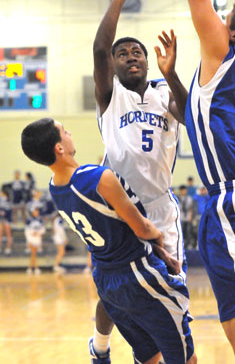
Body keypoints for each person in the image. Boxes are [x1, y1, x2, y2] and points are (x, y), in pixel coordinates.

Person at [21, 117, 197, 364]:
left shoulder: (55, 187)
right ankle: (99, 347)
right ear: (59, 148)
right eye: (64, 131)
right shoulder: (98, 177)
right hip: (138, 274)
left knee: (149, 354)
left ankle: (99, 348)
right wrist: (161, 240)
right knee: (184, 357)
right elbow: (142, 227)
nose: (70, 132)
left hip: (106, 280)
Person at [92, 0, 191, 364]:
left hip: (160, 208)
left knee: (172, 288)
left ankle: (156, 353)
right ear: (113, 66)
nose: (131, 56)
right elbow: (99, 49)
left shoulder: (164, 93)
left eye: (137, 52)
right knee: (115, 296)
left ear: (147, 63)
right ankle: (100, 346)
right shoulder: (109, 97)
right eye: (123, 53)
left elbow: (189, 116)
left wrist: (172, 74)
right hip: (119, 209)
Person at [156, 0, 235, 353]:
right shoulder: (220, 71)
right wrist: (170, 77)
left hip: (228, 202)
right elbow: (203, 124)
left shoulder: (223, 51)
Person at [24, 206, 45, 275]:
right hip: (31, 238)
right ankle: (35, 268)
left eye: (37, 211)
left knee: (33, 254)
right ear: (32, 212)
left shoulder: (40, 219)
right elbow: (26, 230)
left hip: (37, 239)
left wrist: (38, 233)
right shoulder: (28, 220)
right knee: (33, 253)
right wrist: (31, 234)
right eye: (35, 211)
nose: (36, 212)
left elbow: (43, 229)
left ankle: (30, 268)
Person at [177, 185, 194, 250]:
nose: (184, 191)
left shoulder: (189, 198)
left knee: (188, 231)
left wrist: (191, 217)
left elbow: (191, 208)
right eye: (182, 190)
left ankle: (189, 244)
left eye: (185, 190)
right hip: (181, 217)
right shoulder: (178, 198)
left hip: (188, 217)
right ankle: (182, 245)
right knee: (181, 231)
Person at [0, 188, 13, 255]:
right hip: (2, 220)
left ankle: (8, 247)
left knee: (8, 234)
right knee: (0, 233)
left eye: (2, 193)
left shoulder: (8, 202)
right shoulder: (1, 200)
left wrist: (2, 213)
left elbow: (8, 212)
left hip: (7, 220)